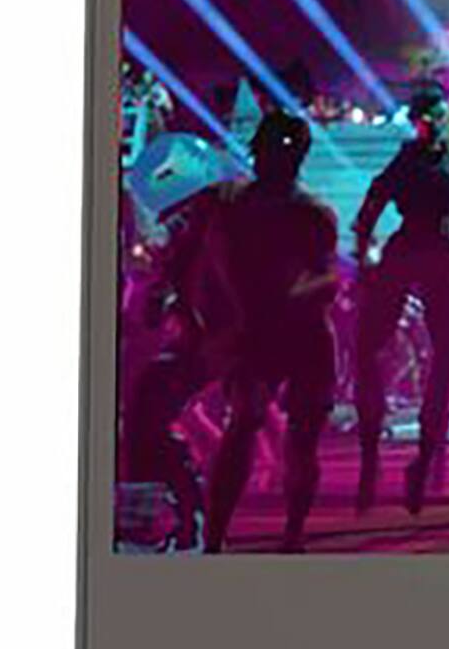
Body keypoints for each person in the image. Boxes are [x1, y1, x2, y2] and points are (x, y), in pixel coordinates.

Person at [121, 108, 340, 552]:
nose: (274, 158)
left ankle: (281, 536)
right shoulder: (227, 205)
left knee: (290, 435)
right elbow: (184, 256)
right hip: (257, 333)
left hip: (294, 334)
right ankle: (223, 537)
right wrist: (178, 304)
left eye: (283, 150)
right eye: (271, 149)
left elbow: (325, 279)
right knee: (249, 423)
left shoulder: (305, 213)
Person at [350, 88, 449, 512]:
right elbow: (372, 204)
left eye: (440, 116)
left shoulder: (444, 165)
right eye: (432, 116)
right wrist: (363, 255)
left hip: (432, 253)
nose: (438, 123)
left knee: (446, 357)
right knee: (368, 349)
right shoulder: (410, 161)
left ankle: (419, 460)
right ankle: (372, 459)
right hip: (416, 251)